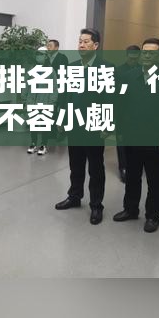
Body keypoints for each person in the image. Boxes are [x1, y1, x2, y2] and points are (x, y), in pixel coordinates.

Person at [113, 38, 159, 233]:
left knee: (154, 180)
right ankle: (130, 209)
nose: (147, 55)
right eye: (145, 51)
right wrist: (120, 131)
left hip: (155, 139)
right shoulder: (130, 76)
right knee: (132, 176)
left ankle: (153, 216)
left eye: (152, 52)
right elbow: (121, 105)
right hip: (132, 136)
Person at [54, 28, 109, 225]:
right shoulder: (72, 67)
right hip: (74, 124)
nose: (81, 45)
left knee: (95, 168)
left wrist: (107, 125)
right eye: (80, 41)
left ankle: (96, 205)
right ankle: (75, 196)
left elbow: (110, 99)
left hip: (94, 125)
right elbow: (64, 96)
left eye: (86, 41)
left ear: (96, 45)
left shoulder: (105, 68)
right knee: (75, 164)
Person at [22, 46, 57, 156]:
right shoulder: (32, 70)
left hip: (45, 101)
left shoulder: (51, 71)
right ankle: (33, 143)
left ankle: (43, 145)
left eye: (41, 54)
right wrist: (24, 98)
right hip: (32, 101)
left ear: (46, 56)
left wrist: (52, 102)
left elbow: (54, 88)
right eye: (37, 54)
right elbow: (26, 85)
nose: (38, 56)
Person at [114, 45, 141, 182]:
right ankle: (123, 167)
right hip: (122, 111)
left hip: (139, 113)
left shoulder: (143, 70)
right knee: (121, 141)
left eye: (136, 57)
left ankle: (134, 166)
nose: (133, 59)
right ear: (127, 55)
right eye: (131, 56)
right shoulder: (119, 71)